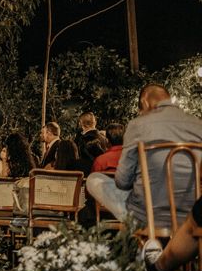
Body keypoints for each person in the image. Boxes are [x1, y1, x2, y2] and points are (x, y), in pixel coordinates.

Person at [86, 84, 202, 227]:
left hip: (147, 216)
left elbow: (122, 182)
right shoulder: (198, 124)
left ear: (145, 102)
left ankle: (142, 235)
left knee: (93, 179)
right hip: (191, 216)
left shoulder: (138, 124)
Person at [143, 196, 202, 271]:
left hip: (156, 214)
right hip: (184, 209)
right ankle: (157, 269)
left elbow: (123, 184)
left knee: (195, 224)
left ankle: (157, 270)